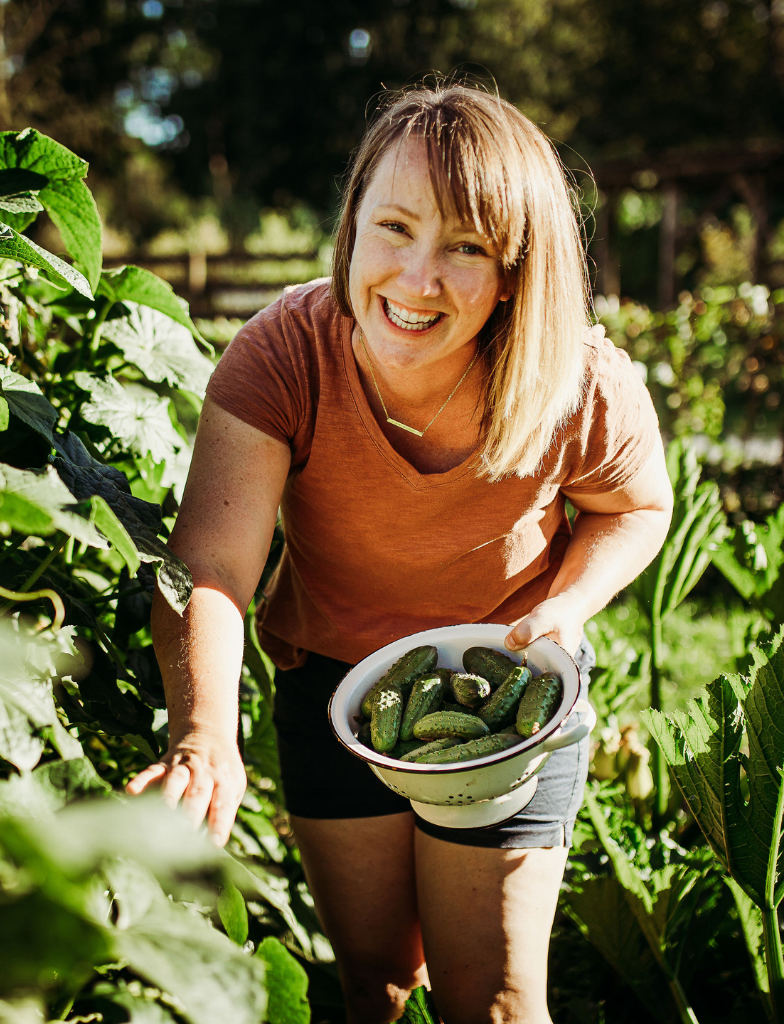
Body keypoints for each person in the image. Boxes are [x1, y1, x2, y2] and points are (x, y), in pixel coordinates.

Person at [127, 84, 673, 1024]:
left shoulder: (578, 380)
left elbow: (637, 507)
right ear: (350, 230)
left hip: (514, 703)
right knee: (376, 986)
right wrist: (205, 731)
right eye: (394, 228)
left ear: (514, 272)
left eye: (465, 247)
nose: (418, 280)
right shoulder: (283, 356)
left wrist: (567, 604)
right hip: (335, 697)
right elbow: (210, 566)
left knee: (495, 1001)